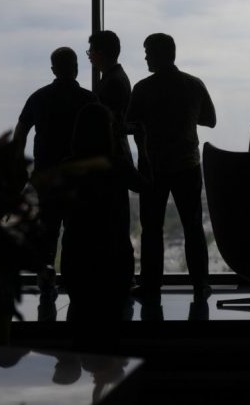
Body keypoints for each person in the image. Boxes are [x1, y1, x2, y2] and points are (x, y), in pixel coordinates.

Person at [126, 33, 216, 301]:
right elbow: (210, 120)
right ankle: (201, 284)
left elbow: (129, 124)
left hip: (153, 167)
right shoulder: (194, 85)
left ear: (158, 55)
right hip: (188, 164)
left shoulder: (143, 89)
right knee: (193, 227)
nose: (145, 57)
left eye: (147, 52)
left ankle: (151, 285)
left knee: (152, 229)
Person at [59, 103, 148, 350]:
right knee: (113, 326)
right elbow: (145, 185)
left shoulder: (67, 167)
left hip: (76, 259)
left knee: (80, 320)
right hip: (114, 259)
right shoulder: (118, 165)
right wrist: (141, 146)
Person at [12, 47, 97, 303]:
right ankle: (75, 282)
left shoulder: (38, 97)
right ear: (76, 67)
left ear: (53, 70)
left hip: (46, 177)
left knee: (48, 234)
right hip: (79, 179)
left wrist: (19, 166)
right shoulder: (89, 99)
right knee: (76, 234)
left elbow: (20, 133)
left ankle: (46, 284)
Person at [87, 30, 133, 162]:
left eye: (90, 51)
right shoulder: (117, 77)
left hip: (111, 154)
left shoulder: (112, 81)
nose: (89, 56)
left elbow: (108, 122)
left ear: (100, 53)